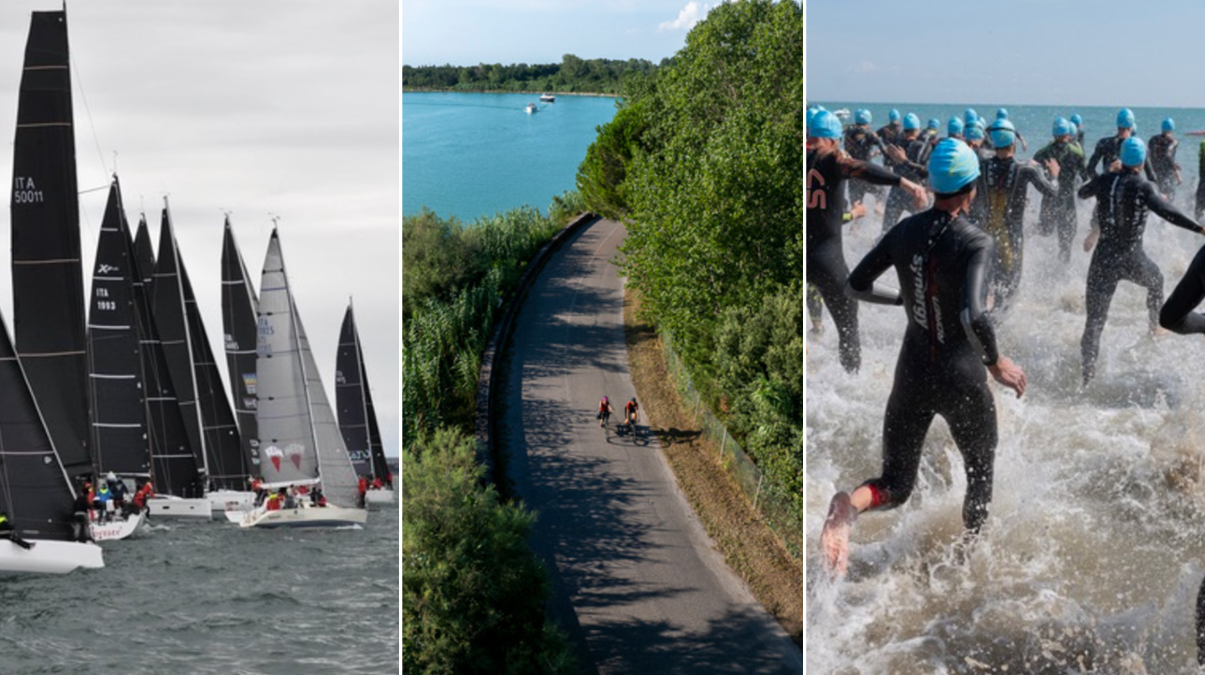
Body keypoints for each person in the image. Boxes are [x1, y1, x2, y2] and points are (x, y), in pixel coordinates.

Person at [820, 139, 1027, 578]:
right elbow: (975, 314)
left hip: (911, 370)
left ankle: (848, 506)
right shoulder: (975, 241)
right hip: (962, 376)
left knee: (895, 484)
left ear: (932, 186)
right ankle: (966, 564)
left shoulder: (903, 231)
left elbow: (856, 284)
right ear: (972, 189)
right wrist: (996, 363)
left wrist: (903, 301)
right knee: (979, 478)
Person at [1077, 136, 1205, 385]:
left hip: (1102, 260)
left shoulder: (1104, 181)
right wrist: (1198, 228)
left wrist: (1107, 173)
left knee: (1094, 322)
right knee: (1156, 280)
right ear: (1143, 160)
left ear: (1121, 159)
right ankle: (1154, 328)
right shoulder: (1144, 186)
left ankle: (1086, 378)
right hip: (1132, 259)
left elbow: (1082, 193)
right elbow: (1167, 212)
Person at [808, 109, 925, 373]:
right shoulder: (831, 159)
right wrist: (906, 184)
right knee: (848, 326)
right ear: (832, 140)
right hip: (827, 261)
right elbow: (862, 168)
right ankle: (851, 381)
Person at [971, 119, 1059, 310]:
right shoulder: (1025, 169)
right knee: (1008, 289)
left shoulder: (981, 165)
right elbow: (1052, 192)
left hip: (984, 236)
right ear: (1014, 143)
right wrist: (1054, 175)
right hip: (1010, 240)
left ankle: (978, 324)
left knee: (985, 286)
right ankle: (997, 332)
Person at [1033, 117, 1087, 264]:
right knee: (1066, 242)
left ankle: (1028, 232)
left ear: (1053, 134)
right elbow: (1085, 175)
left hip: (1049, 198)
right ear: (1068, 134)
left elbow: (1033, 173)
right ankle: (1063, 273)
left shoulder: (1042, 153)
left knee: (1045, 230)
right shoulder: (1077, 152)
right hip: (1067, 203)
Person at [880, 113, 933, 235]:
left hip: (896, 192)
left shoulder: (896, 146)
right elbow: (925, 173)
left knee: (886, 231)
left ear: (905, 129)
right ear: (917, 130)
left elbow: (887, 163)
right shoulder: (923, 146)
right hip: (915, 193)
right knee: (923, 234)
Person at [843, 109, 888, 206]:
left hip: (852, 172)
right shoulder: (869, 134)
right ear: (868, 121)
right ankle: (879, 207)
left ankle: (857, 221)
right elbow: (884, 150)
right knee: (881, 192)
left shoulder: (848, 133)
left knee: (856, 205)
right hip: (866, 171)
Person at [1148, 117, 1181, 201]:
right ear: (1172, 128)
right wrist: (1177, 174)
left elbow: (1149, 154)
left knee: (1159, 195)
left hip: (1155, 171)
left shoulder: (1153, 139)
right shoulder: (1173, 141)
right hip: (1168, 172)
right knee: (1169, 197)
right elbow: (1168, 155)